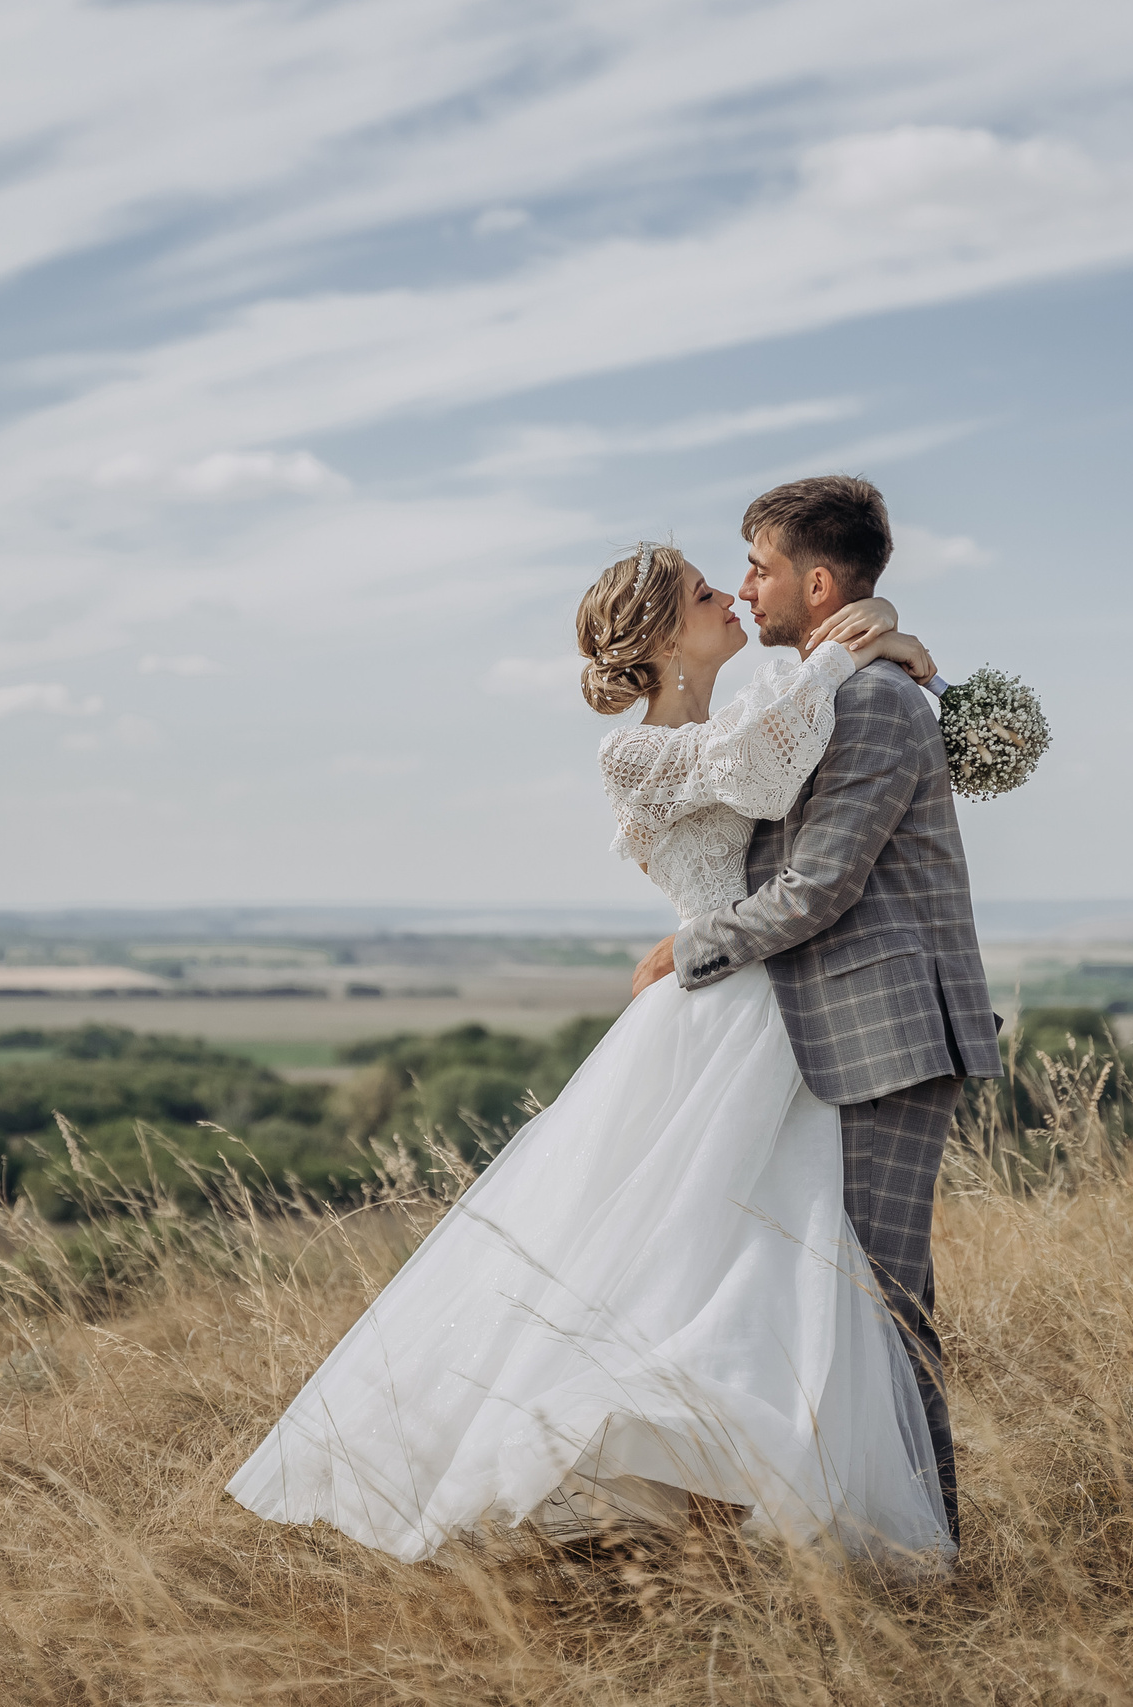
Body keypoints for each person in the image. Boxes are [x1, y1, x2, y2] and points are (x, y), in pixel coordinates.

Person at [226, 534, 957, 1565]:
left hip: (776, 1013)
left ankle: (738, 1519)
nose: (730, 597)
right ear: (658, 635)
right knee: (691, 1265)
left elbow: (791, 749)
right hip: (716, 1017)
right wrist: (848, 648)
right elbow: (758, 774)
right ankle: (659, 1492)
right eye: (703, 593)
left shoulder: (744, 711)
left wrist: (883, 645)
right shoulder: (635, 753)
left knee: (761, 1269)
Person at [633, 475, 1001, 1543]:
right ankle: (816, 1523)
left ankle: (924, 1546)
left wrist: (687, 952)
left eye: (760, 569)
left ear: (820, 582)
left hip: (886, 1035)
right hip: (822, 1032)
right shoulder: (831, 689)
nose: (745, 587)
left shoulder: (876, 703)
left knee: (884, 1301)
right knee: (817, 1292)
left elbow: (821, 884)